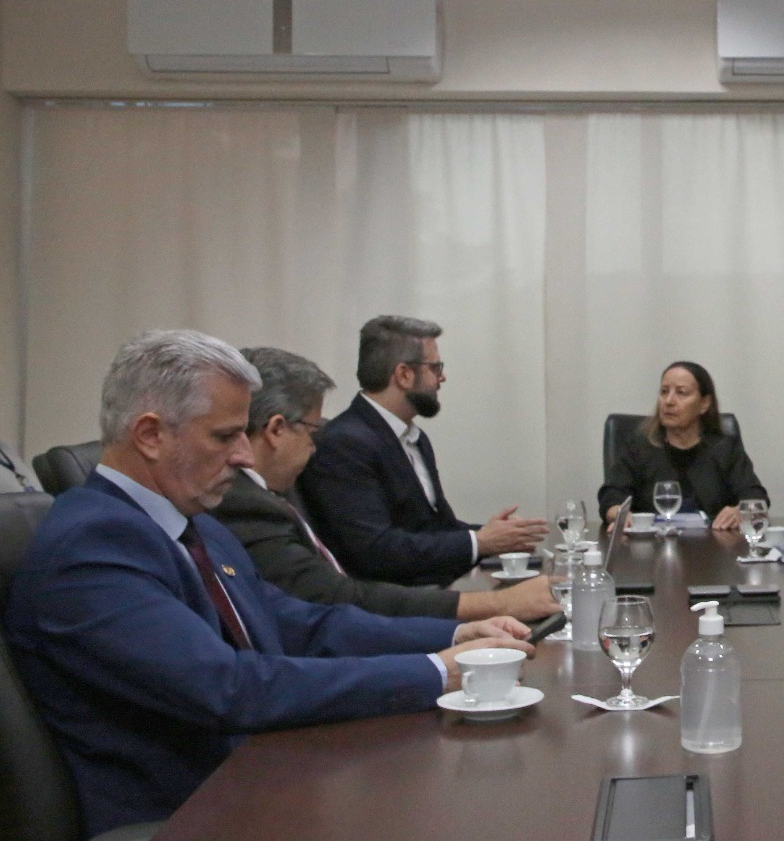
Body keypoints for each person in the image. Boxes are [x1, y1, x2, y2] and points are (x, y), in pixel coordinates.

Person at [3, 330, 536, 837]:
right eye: (225, 435)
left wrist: (447, 640)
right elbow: (229, 688)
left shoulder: (193, 524)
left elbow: (301, 623)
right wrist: (429, 674)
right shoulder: (92, 546)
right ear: (149, 435)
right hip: (186, 813)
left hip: (257, 776)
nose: (243, 454)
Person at [213, 347, 563, 622]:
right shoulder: (244, 502)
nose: (317, 445)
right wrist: (491, 604)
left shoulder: (274, 488)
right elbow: (340, 593)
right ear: (275, 430)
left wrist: (483, 542)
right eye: (314, 430)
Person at [298, 316, 545, 586]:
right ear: (404, 375)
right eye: (435, 367)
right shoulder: (344, 443)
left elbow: (439, 529)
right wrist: (480, 541)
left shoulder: (415, 438)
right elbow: (375, 550)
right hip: (396, 608)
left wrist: (496, 537)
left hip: (436, 589)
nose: (443, 377)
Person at [598, 361, 766, 531]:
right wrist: (620, 513)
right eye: (664, 392)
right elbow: (612, 496)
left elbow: (755, 498)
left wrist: (740, 511)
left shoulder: (724, 448)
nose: (669, 401)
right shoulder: (638, 446)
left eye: (681, 393)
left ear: (704, 404)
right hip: (652, 549)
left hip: (714, 547)